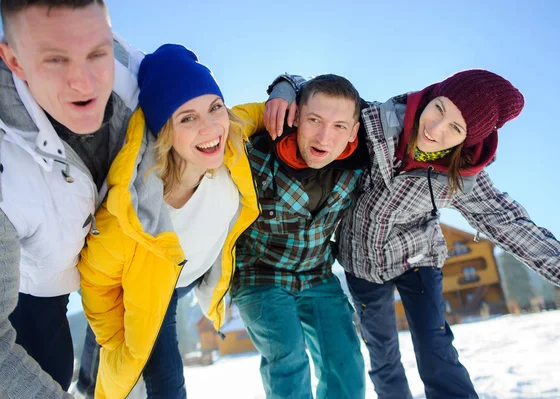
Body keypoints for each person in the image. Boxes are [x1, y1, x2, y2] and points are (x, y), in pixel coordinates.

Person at [265, 69, 560, 399]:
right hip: (361, 263)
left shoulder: (462, 177)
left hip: (418, 260)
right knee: (382, 354)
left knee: (434, 345)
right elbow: (319, 94)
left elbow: (523, 235)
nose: (435, 128)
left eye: (455, 127)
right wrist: (284, 89)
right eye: (439, 108)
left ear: (468, 139)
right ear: (431, 95)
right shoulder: (375, 124)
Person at [77, 43, 262, 399]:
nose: (211, 128)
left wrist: (286, 88)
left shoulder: (232, 139)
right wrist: (118, 341)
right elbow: (96, 282)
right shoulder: (133, 211)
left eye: (215, 107)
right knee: (166, 388)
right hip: (152, 293)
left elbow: (261, 112)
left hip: (190, 277)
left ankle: (88, 377)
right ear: (165, 130)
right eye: (187, 118)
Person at [0, 0, 142, 397]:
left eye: (97, 53)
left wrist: (288, 88)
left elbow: (181, 70)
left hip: (111, 265)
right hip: (39, 279)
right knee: (50, 369)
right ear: (14, 60)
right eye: (55, 60)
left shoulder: (131, 74)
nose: (84, 81)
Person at [231, 74, 368, 399]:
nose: (324, 136)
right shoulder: (259, 155)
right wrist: (284, 86)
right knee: (289, 359)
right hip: (260, 276)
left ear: (354, 131)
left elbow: (408, 114)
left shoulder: (360, 164)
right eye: (314, 120)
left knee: (346, 364)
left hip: (317, 275)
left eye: (338, 126)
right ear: (295, 117)